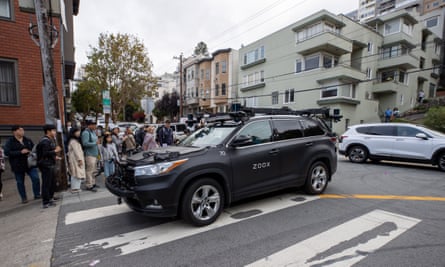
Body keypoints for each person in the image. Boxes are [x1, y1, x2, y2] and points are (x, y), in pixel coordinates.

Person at [4, 125, 41, 203]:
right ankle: (24, 197)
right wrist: (20, 152)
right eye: (20, 130)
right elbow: (6, 152)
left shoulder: (27, 140)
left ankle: (37, 194)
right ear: (14, 132)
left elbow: (33, 149)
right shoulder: (10, 142)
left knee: (35, 178)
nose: (22, 132)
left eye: (23, 130)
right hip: (17, 165)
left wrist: (31, 152)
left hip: (29, 163)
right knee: (20, 182)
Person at [37, 124, 62, 208]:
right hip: (46, 165)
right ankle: (46, 201)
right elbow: (45, 153)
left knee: (52, 182)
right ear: (48, 131)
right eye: (53, 130)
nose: (54, 132)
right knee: (47, 183)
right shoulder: (45, 141)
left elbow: (48, 153)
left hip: (50, 163)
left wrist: (55, 157)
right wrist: (55, 151)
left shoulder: (49, 140)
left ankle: (50, 198)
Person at [81, 120, 100, 192]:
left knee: (94, 170)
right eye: (93, 125)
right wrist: (95, 143)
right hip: (89, 154)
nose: (95, 126)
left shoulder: (93, 132)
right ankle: (89, 185)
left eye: (95, 124)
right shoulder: (86, 133)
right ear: (89, 125)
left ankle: (93, 183)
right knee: (89, 170)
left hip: (95, 153)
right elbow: (85, 143)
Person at [67, 127, 85, 193]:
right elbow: (76, 151)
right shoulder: (73, 141)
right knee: (76, 173)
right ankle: (75, 188)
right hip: (75, 159)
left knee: (77, 173)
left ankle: (76, 187)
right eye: (77, 131)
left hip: (75, 159)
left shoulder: (74, 140)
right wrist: (79, 160)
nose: (79, 133)